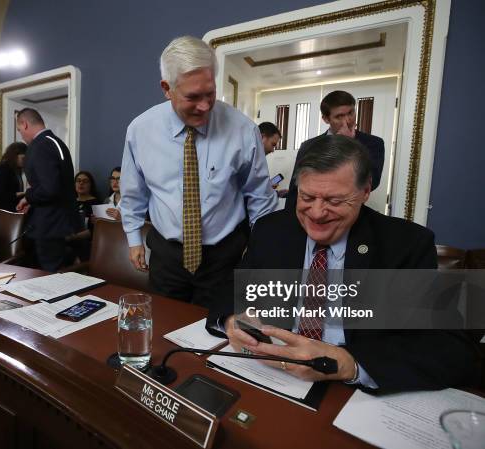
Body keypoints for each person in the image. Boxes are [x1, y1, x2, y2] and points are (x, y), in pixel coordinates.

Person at [210, 135, 479, 393]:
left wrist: (347, 363)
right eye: (306, 197)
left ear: (364, 191)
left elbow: (451, 348)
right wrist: (233, 320)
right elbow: (232, 288)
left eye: (334, 200)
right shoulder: (272, 229)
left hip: (351, 390)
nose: (316, 213)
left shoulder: (406, 245)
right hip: (269, 373)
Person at [121, 36, 277, 307]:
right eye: (192, 97)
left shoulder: (242, 129)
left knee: (217, 336)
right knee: (165, 330)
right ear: (166, 89)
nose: (204, 106)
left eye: (210, 94)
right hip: (167, 257)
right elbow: (134, 191)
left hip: (225, 257)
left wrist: (259, 250)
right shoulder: (140, 130)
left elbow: (259, 196)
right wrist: (134, 238)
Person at [285, 90, 385, 209]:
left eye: (350, 113)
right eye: (339, 116)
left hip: (349, 211)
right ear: (326, 119)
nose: (348, 120)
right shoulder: (309, 145)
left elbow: (372, 181)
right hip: (311, 211)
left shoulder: (374, 143)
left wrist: (348, 144)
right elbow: (295, 187)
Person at [15, 108, 77, 272]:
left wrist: (28, 197)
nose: (21, 135)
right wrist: (31, 199)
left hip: (49, 224)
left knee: (49, 276)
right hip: (58, 221)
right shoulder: (56, 142)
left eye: (20, 130)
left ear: (25, 124)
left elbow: (50, 189)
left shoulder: (41, 145)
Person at [0, 142, 28, 212]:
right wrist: (23, 193)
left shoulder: (15, 169)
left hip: (12, 208)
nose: (25, 162)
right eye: (23, 158)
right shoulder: (2, 169)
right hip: (3, 210)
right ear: (14, 156)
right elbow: (1, 195)